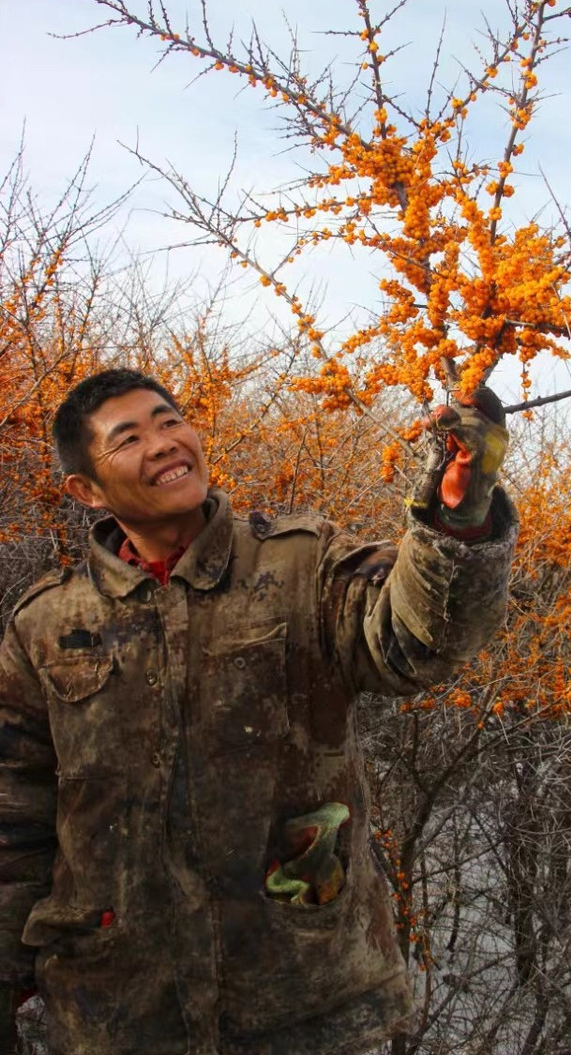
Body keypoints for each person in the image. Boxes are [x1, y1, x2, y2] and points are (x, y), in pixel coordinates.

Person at [0, 368, 517, 1055]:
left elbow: (415, 642)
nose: (163, 443)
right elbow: (16, 819)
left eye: (168, 420)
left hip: (306, 999)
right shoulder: (46, 624)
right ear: (86, 490)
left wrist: (460, 512)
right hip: (117, 1014)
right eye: (129, 438)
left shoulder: (302, 563)